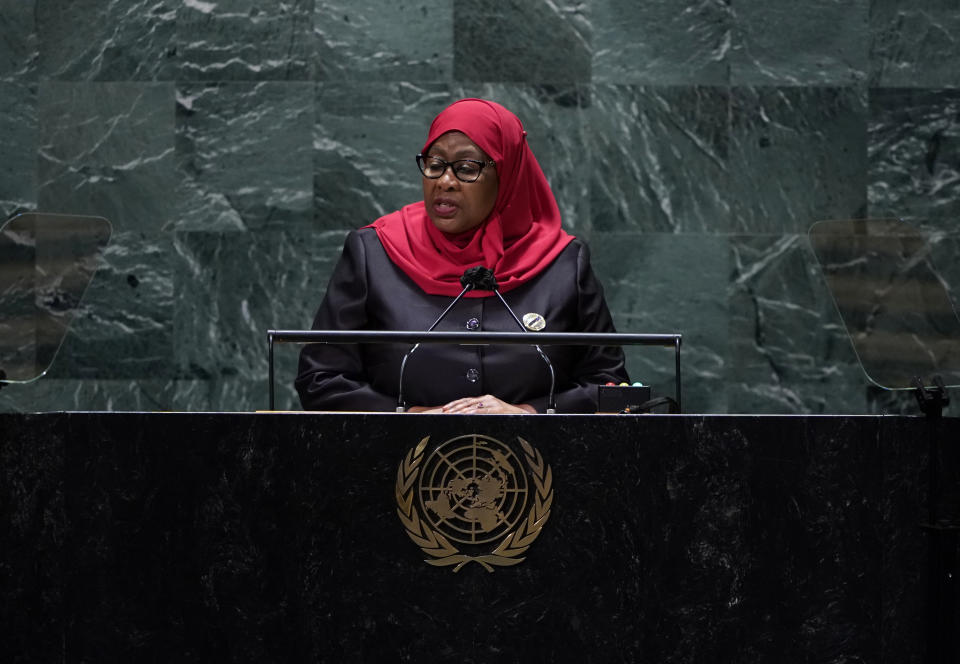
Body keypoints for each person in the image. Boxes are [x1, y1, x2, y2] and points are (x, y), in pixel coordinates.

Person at [296, 98, 628, 413]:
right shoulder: (375, 252)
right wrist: (409, 416)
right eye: (435, 165)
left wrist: (529, 413)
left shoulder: (563, 264)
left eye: (466, 168)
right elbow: (320, 378)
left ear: (506, 173)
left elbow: (612, 386)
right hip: (396, 462)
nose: (446, 182)